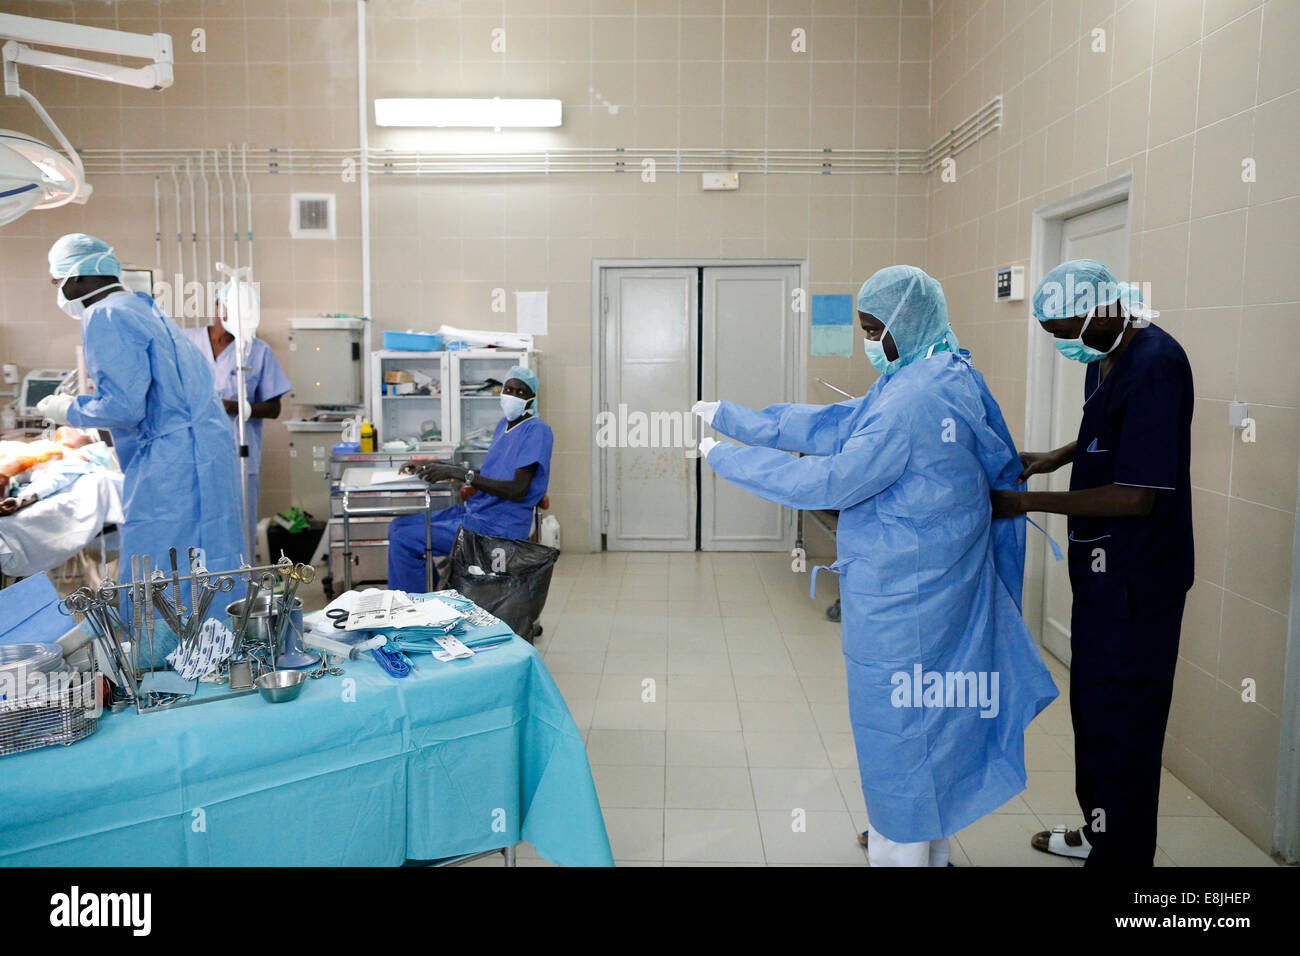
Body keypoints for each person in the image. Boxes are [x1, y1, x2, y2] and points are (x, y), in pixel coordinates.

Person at [695, 265, 1058, 867]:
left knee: (902, 732)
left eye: (871, 328)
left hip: (908, 599)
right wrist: (733, 417)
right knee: (929, 726)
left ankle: (903, 850)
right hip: (932, 583)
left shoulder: (916, 398)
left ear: (904, 323)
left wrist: (727, 460)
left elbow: (832, 476)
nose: (866, 340)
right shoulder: (939, 370)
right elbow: (839, 425)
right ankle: (914, 838)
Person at [990, 259, 1193, 868]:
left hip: (1139, 580)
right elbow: (1111, 429)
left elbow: (1136, 494)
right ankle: (1099, 828)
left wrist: (1024, 501)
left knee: (1125, 724)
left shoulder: (1157, 363)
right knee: (1095, 714)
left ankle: (1123, 856)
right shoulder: (1105, 353)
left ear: (1103, 309)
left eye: (1064, 327)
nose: (1059, 341)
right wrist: (1055, 456)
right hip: (1102, 577)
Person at [36, 233, 243, 633]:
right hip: (203, 448)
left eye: (56, 281)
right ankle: (218, 645)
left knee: (161, 562)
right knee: (209, 556)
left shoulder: (105, 315)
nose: (58, 291)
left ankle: (168, 656)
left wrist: (70, 409)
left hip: (175, 460)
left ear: (76, 278)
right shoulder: (141, 307)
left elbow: (124, 407)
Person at [386, 366, 552, 593]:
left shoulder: (537, 431)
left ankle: (411, 610)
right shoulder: (503, 426)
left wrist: (460, 474)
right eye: (508, 389)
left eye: (520, 392)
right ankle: (429, 594)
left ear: (531, 398)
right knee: (398, 526)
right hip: (476, 513)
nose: (512, 395)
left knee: (406, 539)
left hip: (497, 529)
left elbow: (517, 489)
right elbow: (491, 475)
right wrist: (437, 467)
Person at [184, 282, 291, 550]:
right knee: (194, 529)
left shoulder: (257, 350)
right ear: (219, 308)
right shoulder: (185, 342)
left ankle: (241, 586)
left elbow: (274, 408)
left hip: (238, 454)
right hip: (189, 453)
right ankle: (195, 590)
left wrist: (233, 406)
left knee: (239, 527)